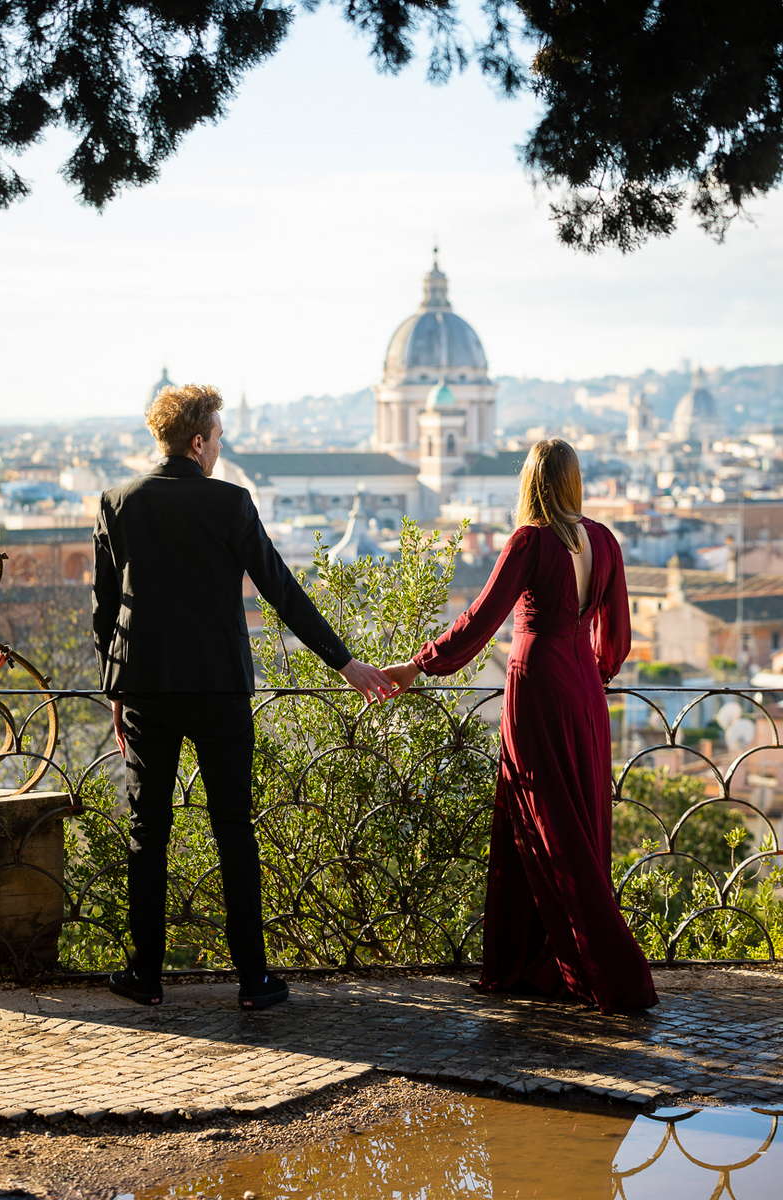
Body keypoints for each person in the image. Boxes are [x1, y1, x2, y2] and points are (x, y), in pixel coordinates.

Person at [92, 384, 394, 1010]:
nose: (221, 447)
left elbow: (105, 612)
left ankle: (144, 975)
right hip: (221, 689)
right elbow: (281, 590)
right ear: (198, 442)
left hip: (146, 687)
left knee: (148, 832)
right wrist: (343, 661)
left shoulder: (117, 502)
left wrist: (113, 691)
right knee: (234, 829)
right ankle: (253, 981)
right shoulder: (231, 504)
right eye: (219, 438)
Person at [383, 439, 658, 1014]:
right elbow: (619, 638)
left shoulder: (530, 540)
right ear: (574, 480)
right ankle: (537, 963)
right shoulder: (603, 539)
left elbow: (481, 617)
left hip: (537, 690)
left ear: (531, 482)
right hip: (584, 690)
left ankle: (611, 969)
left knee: (546, 822)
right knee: (574, 820)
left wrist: (418, 664)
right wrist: (590, 673)